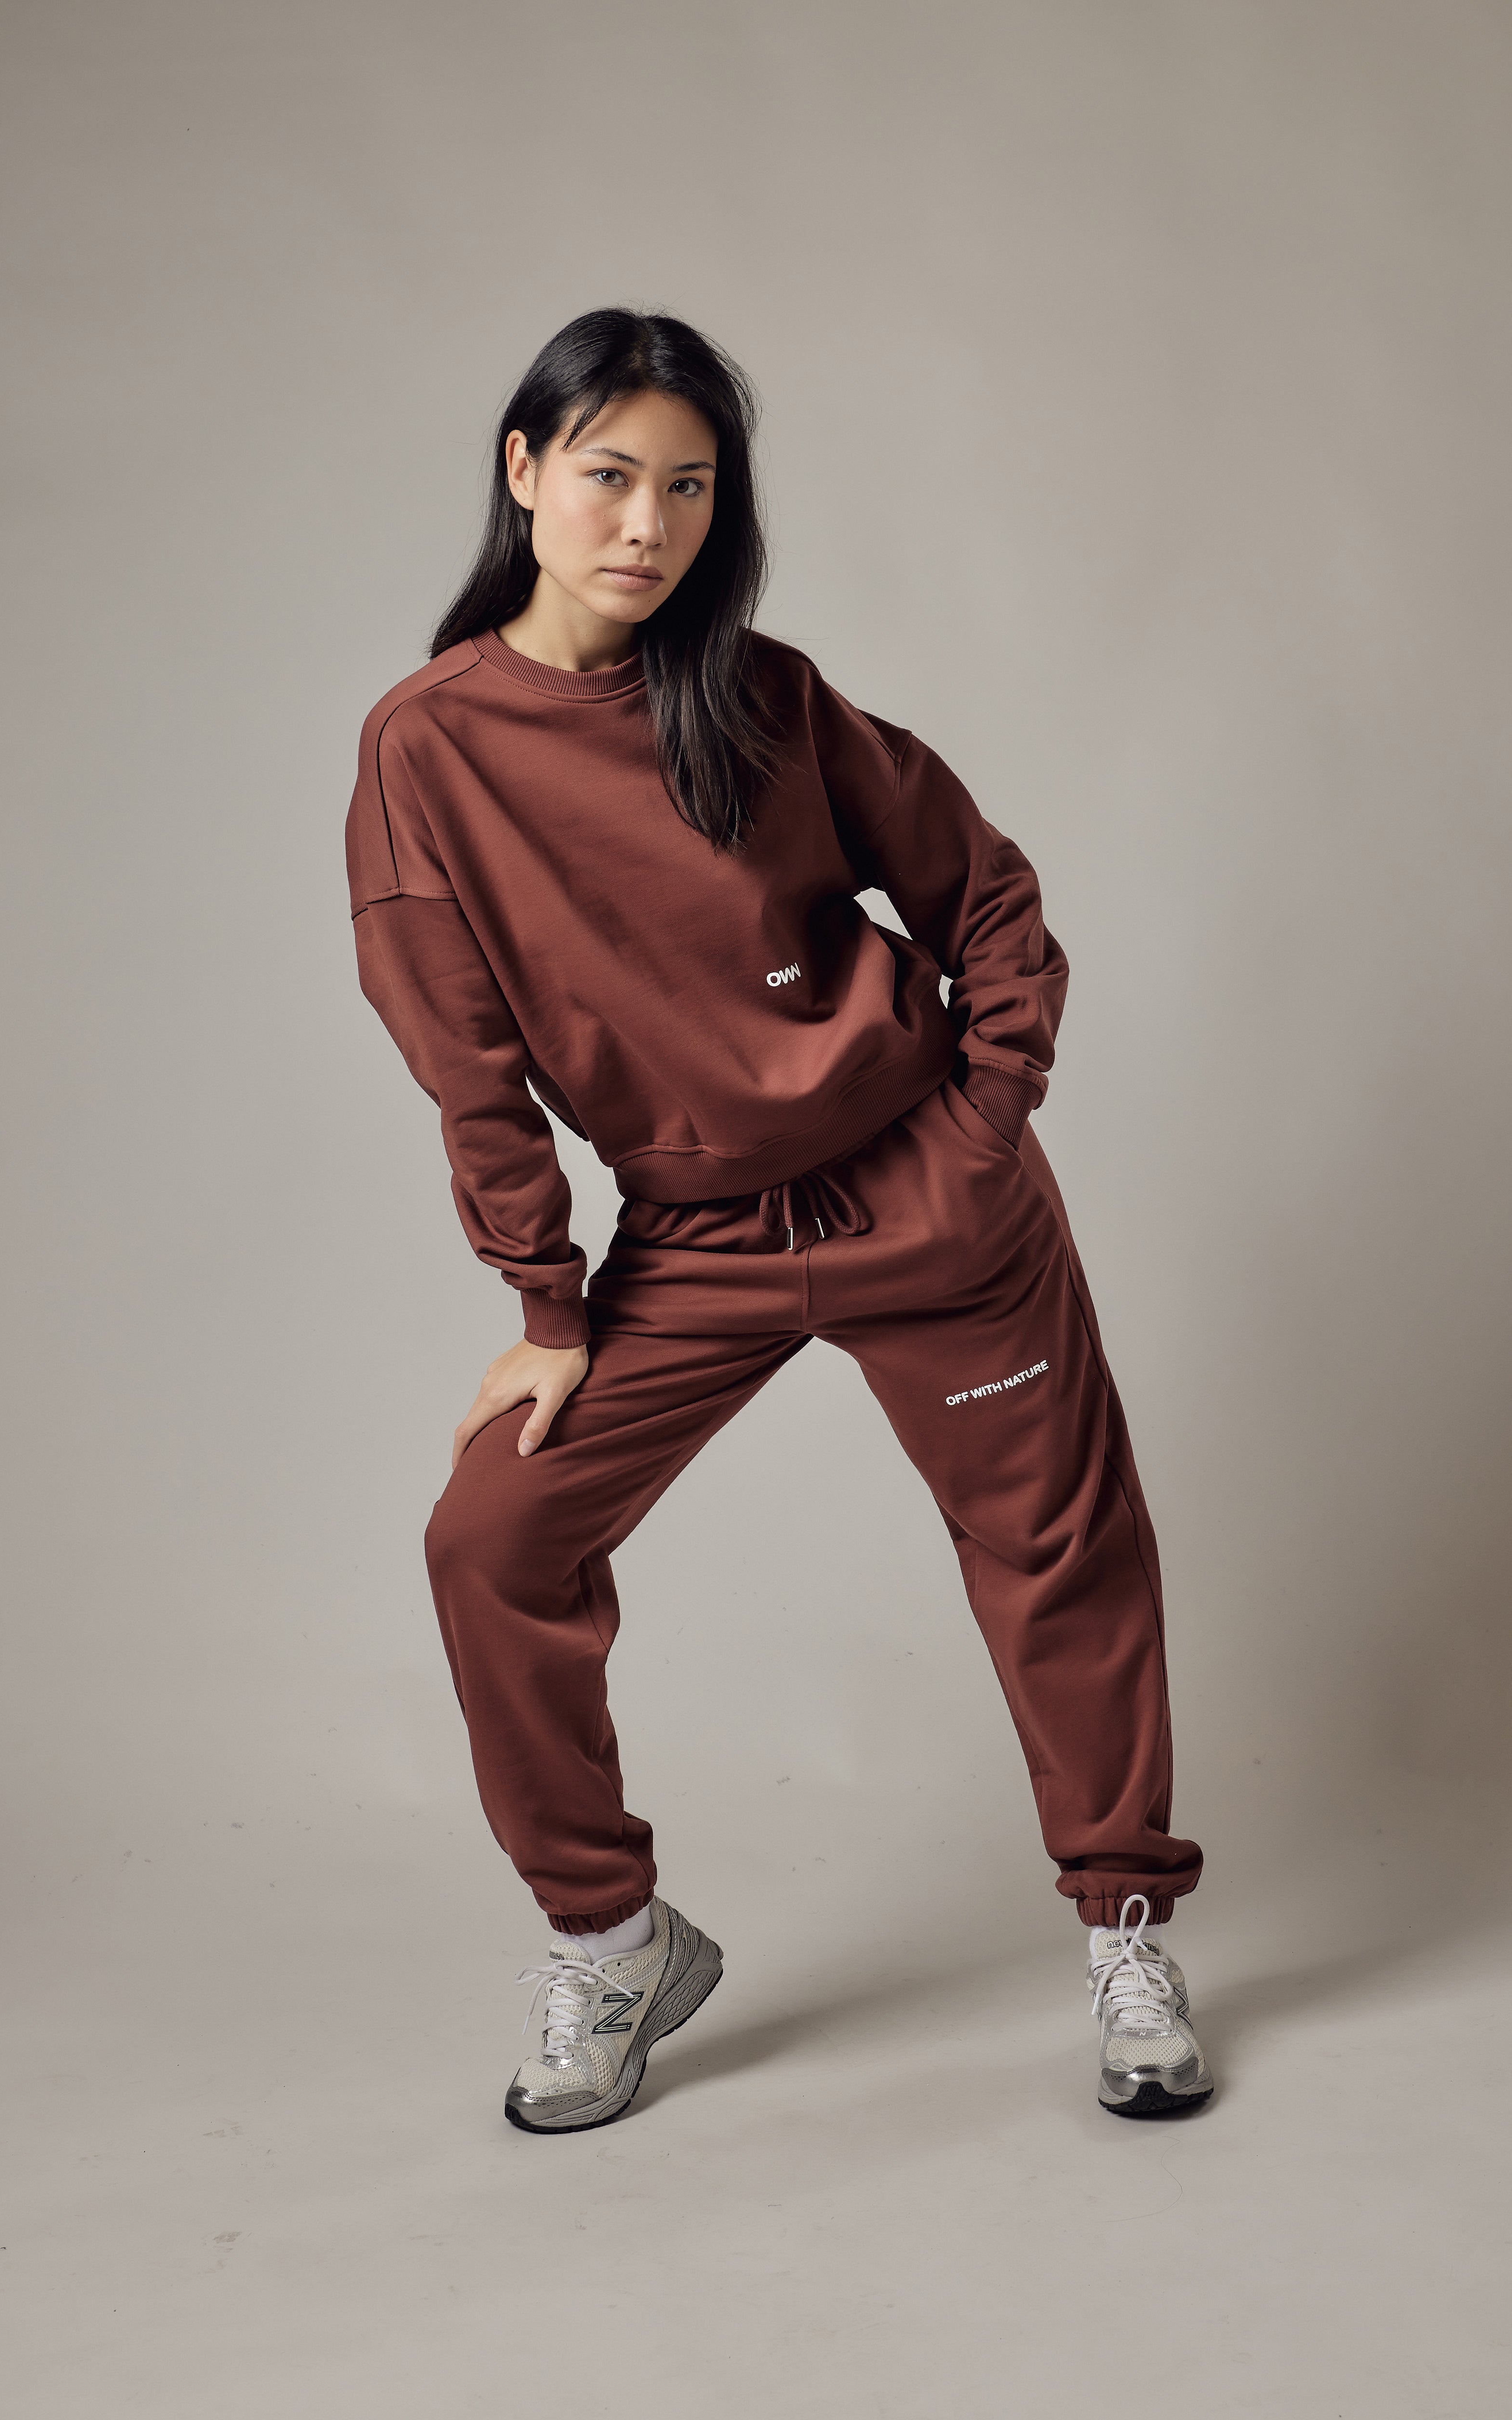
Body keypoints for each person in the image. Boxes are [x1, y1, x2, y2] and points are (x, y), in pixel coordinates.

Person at [345, 307, 1211, 2133]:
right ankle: (614, 1943)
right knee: (493, 1541)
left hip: (930, 1192)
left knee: (1058, 1551)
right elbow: (465, 1059)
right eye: (609, 476)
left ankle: (1128, 1929)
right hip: (696, 1238)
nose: (646, 524)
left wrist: (986, 1123)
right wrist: (548, 1305)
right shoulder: (430, 751)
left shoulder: (764, 695)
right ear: (522, 472)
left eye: (689, 488)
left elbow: (987, 894)